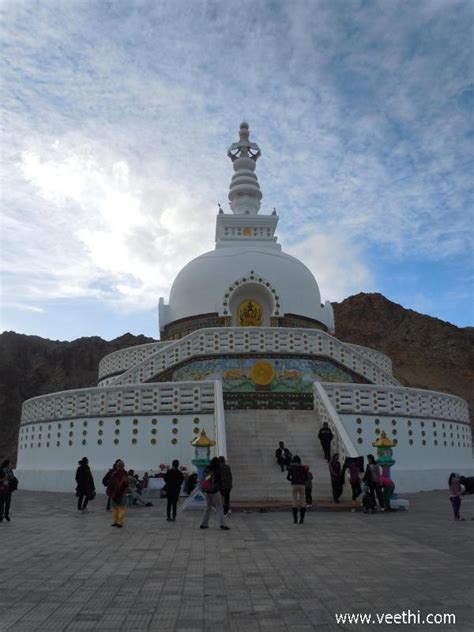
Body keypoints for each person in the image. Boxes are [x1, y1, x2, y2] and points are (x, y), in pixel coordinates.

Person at [199, 457, 230, 530]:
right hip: (215, 491)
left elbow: (205, 479)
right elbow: (219, 482)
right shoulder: (217, 470)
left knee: (207, 507)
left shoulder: (207, 468)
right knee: (219, 507)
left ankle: (204, 524)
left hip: (207, 491)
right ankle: (222, 524)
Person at [106, 459, 128, 528]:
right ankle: (115, 521)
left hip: (121, 493)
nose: (119, 467)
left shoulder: (124, 473)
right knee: (115, 509)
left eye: (121, 466)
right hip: (114, 493)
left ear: (123, 466)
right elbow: (110, 482)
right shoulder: (114, 473)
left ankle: (120, 522)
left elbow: (126, 483)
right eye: (118, 466)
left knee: (121, 508)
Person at [287, 455, 308, 524]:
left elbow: (288, 477)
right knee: (302, 502)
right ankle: (301, 519)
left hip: (294, 485)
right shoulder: (302, 467)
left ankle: (295, 519)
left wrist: (292, 480)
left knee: (294, 502)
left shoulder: (291, 467)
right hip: (301, 485)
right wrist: (302, 480)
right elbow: (306, 477)